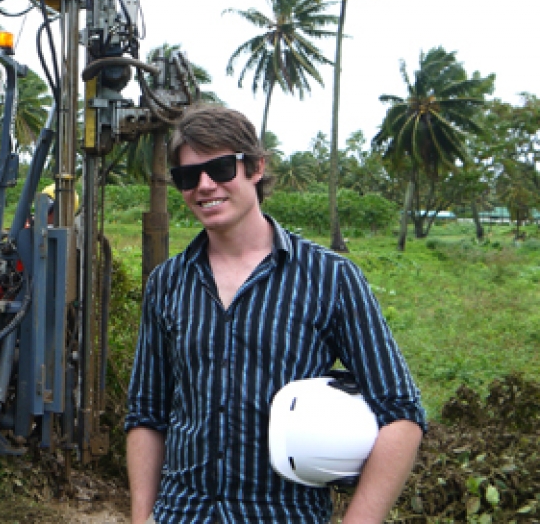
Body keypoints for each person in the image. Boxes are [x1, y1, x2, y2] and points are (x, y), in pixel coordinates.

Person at [125, 104, 426, 524]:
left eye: (222, 168)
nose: (205, 186)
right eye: (188, 176)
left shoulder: (330, 277)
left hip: (283, 513)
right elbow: (147, 414)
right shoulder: (167, 283)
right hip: (183, 512)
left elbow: (401, 413)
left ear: (256, 167)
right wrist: (143, 517)